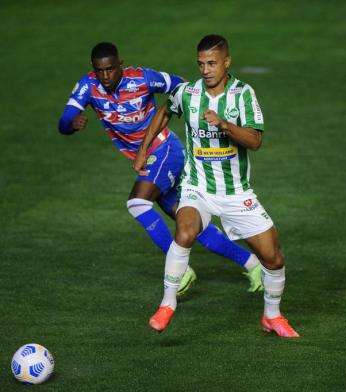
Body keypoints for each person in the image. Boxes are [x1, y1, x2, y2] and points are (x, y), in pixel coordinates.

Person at [58, 42, 264, 296]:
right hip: (148, 159)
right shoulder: (88, 86)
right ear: (93, 69)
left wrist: (197, 107)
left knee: (137, 203)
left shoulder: (143, 78)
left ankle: (181, 270)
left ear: (120, 65)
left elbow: (180, 85)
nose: (106, 76)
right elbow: (64, 121)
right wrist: (71, 125)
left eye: (110, 69)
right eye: (100, 71)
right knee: (190, 225)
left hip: (165, 150)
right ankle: (253, 265)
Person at [134, 34, 299, 337]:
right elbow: (164, 111)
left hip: (237, 193)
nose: (206, 69)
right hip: (198, 188)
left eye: (211, 63)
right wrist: (145, 148)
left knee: (273, 258)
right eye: (201, 64)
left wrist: (224, 124)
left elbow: (256, 140)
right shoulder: (187, 93)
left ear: (226, 62)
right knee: (185, 231)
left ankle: (272, 316)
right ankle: (167, 303)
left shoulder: (243, 95)